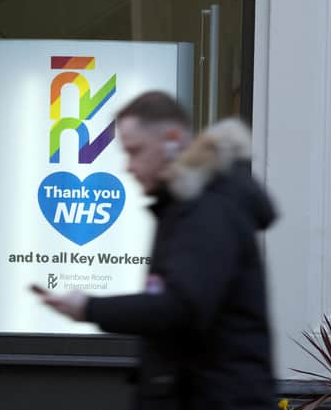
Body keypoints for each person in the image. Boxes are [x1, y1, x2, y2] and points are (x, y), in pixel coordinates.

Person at [35, 91, 277, 410]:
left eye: (135, 151)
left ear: (173, 140)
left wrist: (88, 307)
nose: (128, 167)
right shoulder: (186, 205)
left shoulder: (208, 209)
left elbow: (178, 307)